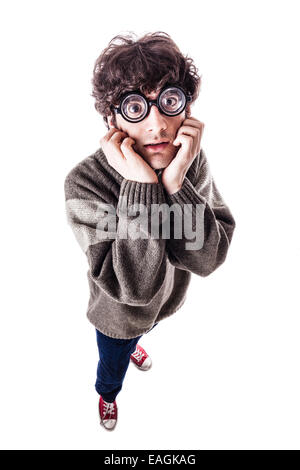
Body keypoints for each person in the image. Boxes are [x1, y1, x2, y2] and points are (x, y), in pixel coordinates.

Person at [64, 31, 236, 431]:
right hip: (118, 317)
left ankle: (139, 344)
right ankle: (107, 395)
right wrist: (143, 186)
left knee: (149, 326)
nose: (157, 125)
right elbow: (134, 290)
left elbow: (206, 259)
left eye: (169, 101)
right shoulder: (84, 183)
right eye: (137, 106)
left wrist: (177, 181)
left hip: (165, 302)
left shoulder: (187, 160)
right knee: (113, 362)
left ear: (187, 107)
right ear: (112, 119)